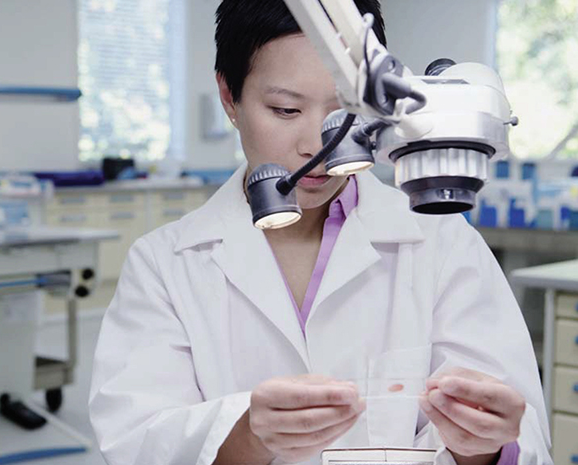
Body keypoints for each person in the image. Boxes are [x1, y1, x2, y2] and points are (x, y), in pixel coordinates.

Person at [88, 1, 551, 464]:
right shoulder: (165, 263)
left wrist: (482, 446)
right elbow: (135, 441)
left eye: (345, 114)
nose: (317, 147)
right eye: (285, 110)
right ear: (230, 98)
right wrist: (249, 433)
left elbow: (518, 430)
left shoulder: (441, 240)